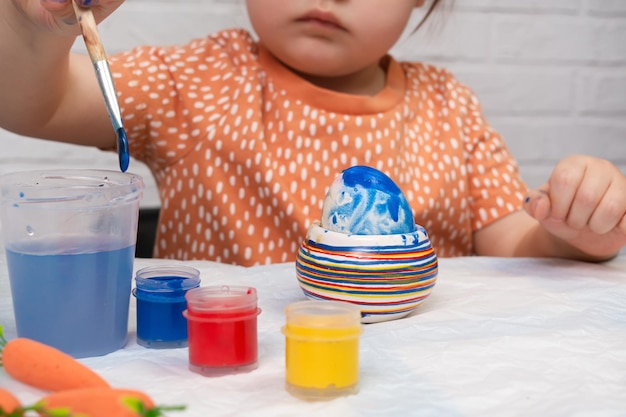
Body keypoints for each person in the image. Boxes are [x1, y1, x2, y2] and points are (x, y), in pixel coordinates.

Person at [0, 0, 624, 266]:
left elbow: (515, 247)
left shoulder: (450, 107)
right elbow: (37, 104)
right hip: (230, 385)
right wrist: (36, 29)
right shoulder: (197, 79)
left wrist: (577, 227)